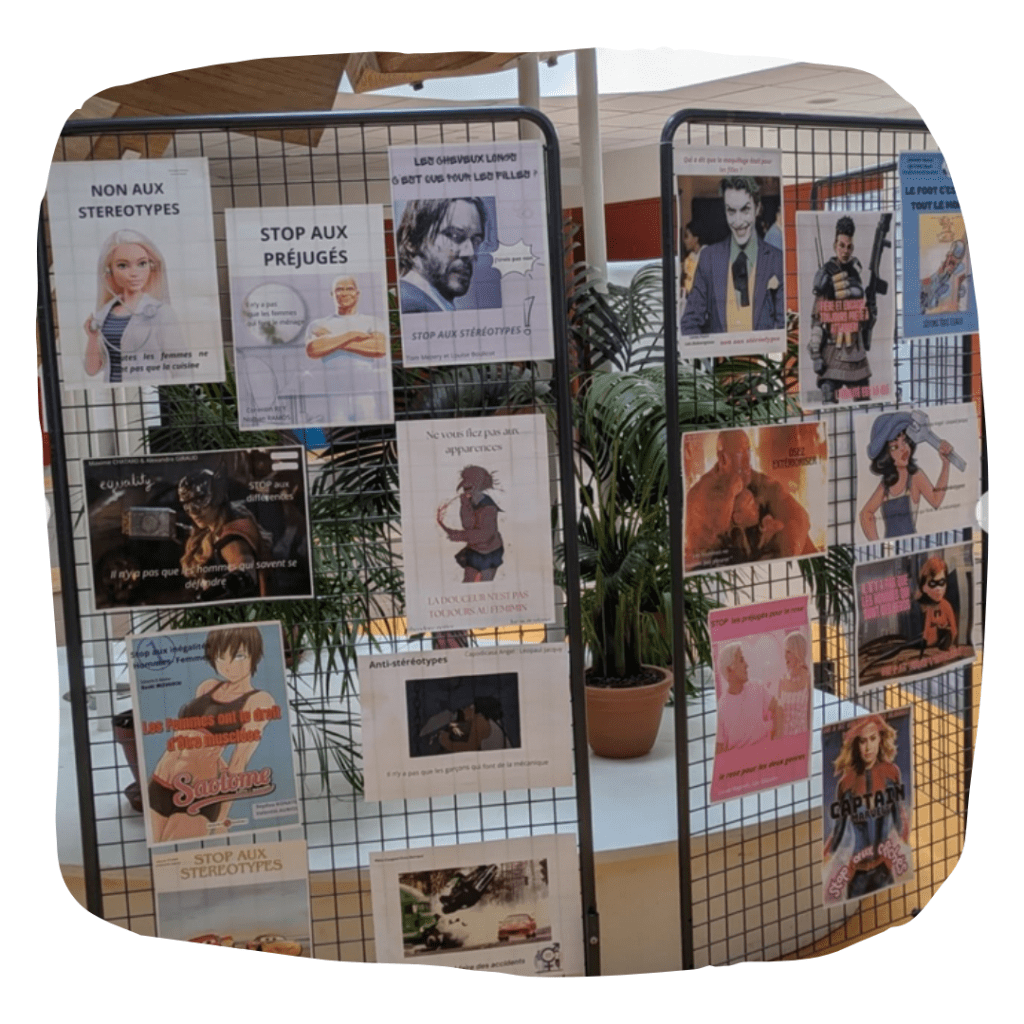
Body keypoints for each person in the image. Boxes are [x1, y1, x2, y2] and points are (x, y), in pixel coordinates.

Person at [147, 627, 279, 843]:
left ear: (254, 655)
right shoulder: (207, 687)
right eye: (220, 656)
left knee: (180, 853)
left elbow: (239, 763)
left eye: (238, 656)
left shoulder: (259, 701)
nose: (228, 665)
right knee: (157, 852)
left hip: (198, 792)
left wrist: (222, 818)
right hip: (160, 780)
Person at [684, 429, 814, 570]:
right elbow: (700, 556)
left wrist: (780, 557)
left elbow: (799, 517)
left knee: (801, 539)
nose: (747, 461)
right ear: (723, 459)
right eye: (740, 454)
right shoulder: (699, 494)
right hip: (724, 574)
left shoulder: (759, 482)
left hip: (766, 569)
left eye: (748, 451)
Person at [679, 177, 784, 337]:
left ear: (757, 209)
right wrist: (709, 349)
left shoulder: (776, 259)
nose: (738, 221)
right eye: (731, 211)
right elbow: (690, 322)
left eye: (745, 210)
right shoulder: (709, 258)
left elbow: (782, 323)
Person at [823, 714, 911, 901]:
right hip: (857, 872)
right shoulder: (847, 783)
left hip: (884, 866)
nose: (868, 747)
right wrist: (828, 854)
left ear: (880, 739)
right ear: (856, 744)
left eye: (872, 738)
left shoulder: (891, 773)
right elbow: (839, 829)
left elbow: (898, 815)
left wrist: (903, 839)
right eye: (863, 741)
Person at [84, 229, 183, 383]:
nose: (134, 273)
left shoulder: (162, 313)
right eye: (123, 266)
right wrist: (92, 338)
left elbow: (181, 366)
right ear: (109, 270)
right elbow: (92, 370)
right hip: (115, 392)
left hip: (151, 391)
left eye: (142, 264)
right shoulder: (104, 314)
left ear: (151, 267)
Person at [808, 216, 878, 403]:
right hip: (833, 351)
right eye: (841, 245)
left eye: (849, 247)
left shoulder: (856, 272)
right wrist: (816, 354)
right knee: (829, 399)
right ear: (835, 245)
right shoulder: (827, 275)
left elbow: (862, 314)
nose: (845, 251)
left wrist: (870, 314)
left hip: (856, 352)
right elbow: (817, 318)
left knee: (864, 403)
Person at [178, 468, 271, 601]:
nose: (193, 511)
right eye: (187, 503)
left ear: (217, 496)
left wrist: (205, 597)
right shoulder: (208, 532)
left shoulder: (231, 538)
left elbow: (245, 576)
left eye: (200, 499)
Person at [859, 411, 952, 540]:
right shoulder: (886, 485)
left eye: (905, 441)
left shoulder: (915, 477)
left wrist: (946, 465)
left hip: (911, 545)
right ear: (885, 455)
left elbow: (936, 500)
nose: (903, 448)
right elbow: (866, 515)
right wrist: (877, 545)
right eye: (894, 447)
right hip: (890, 548)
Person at [396, 198, 488, 312]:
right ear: (412, 241)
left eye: (476, 241)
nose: (470, 253)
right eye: (454, 236)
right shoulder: (411, 307)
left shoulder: (427, 304)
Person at [436, 466, 504, 583]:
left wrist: (459, 535)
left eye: (468, 485)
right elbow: (468, 525)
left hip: (489, 553)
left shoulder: (488, 506)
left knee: (483, 584)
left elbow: (486, 534)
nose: (464, 488)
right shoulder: (469, 501)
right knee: (469, 582)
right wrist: (465, 505)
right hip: (474, 550)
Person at [715, 642, 780, 754]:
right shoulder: (721, 708)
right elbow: (719, 750)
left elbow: (778, 708)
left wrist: (778, 741)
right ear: (729, 670)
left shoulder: (756, 688)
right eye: (741, 660)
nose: (746, 665)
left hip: (766, 755)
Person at [304, 276, 387, 360]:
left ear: (357, 293)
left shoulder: (373, 322)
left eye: (350, 289)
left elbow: (380, 348)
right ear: (332, 294)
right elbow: (312, 350)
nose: (345, 293)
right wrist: (353, 335)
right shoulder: (318, 324)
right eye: (339, 289)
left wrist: (330, 340)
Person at [436, 695, 509, 753]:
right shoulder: (490, 721)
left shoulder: (482, 723)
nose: (465, 710)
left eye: (467, 707)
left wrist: (443, 738)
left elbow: (468, 747)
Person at [916, 555, 958, 651]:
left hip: (942, 647)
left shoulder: (946, 605)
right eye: (932, 584)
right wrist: (924, 640)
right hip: (929, 647)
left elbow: (953, 629)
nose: (938, 588)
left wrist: (949, 642)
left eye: (942, 583)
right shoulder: (929, 607)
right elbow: (927, 627)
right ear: (924, 587)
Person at [775, 632, 812, 738]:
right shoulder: (782, 680)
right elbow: (779, 716)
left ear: (798, 652)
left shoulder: (808, 678)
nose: (785, 656)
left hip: (802, 736)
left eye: (788, 652)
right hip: (784, 737)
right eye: (784, 652)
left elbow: (810, 714)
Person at [680, 220, 704, 300]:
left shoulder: (707, 257)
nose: (684, 241)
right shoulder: (689, 259)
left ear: (696, 238)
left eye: (686, 236)